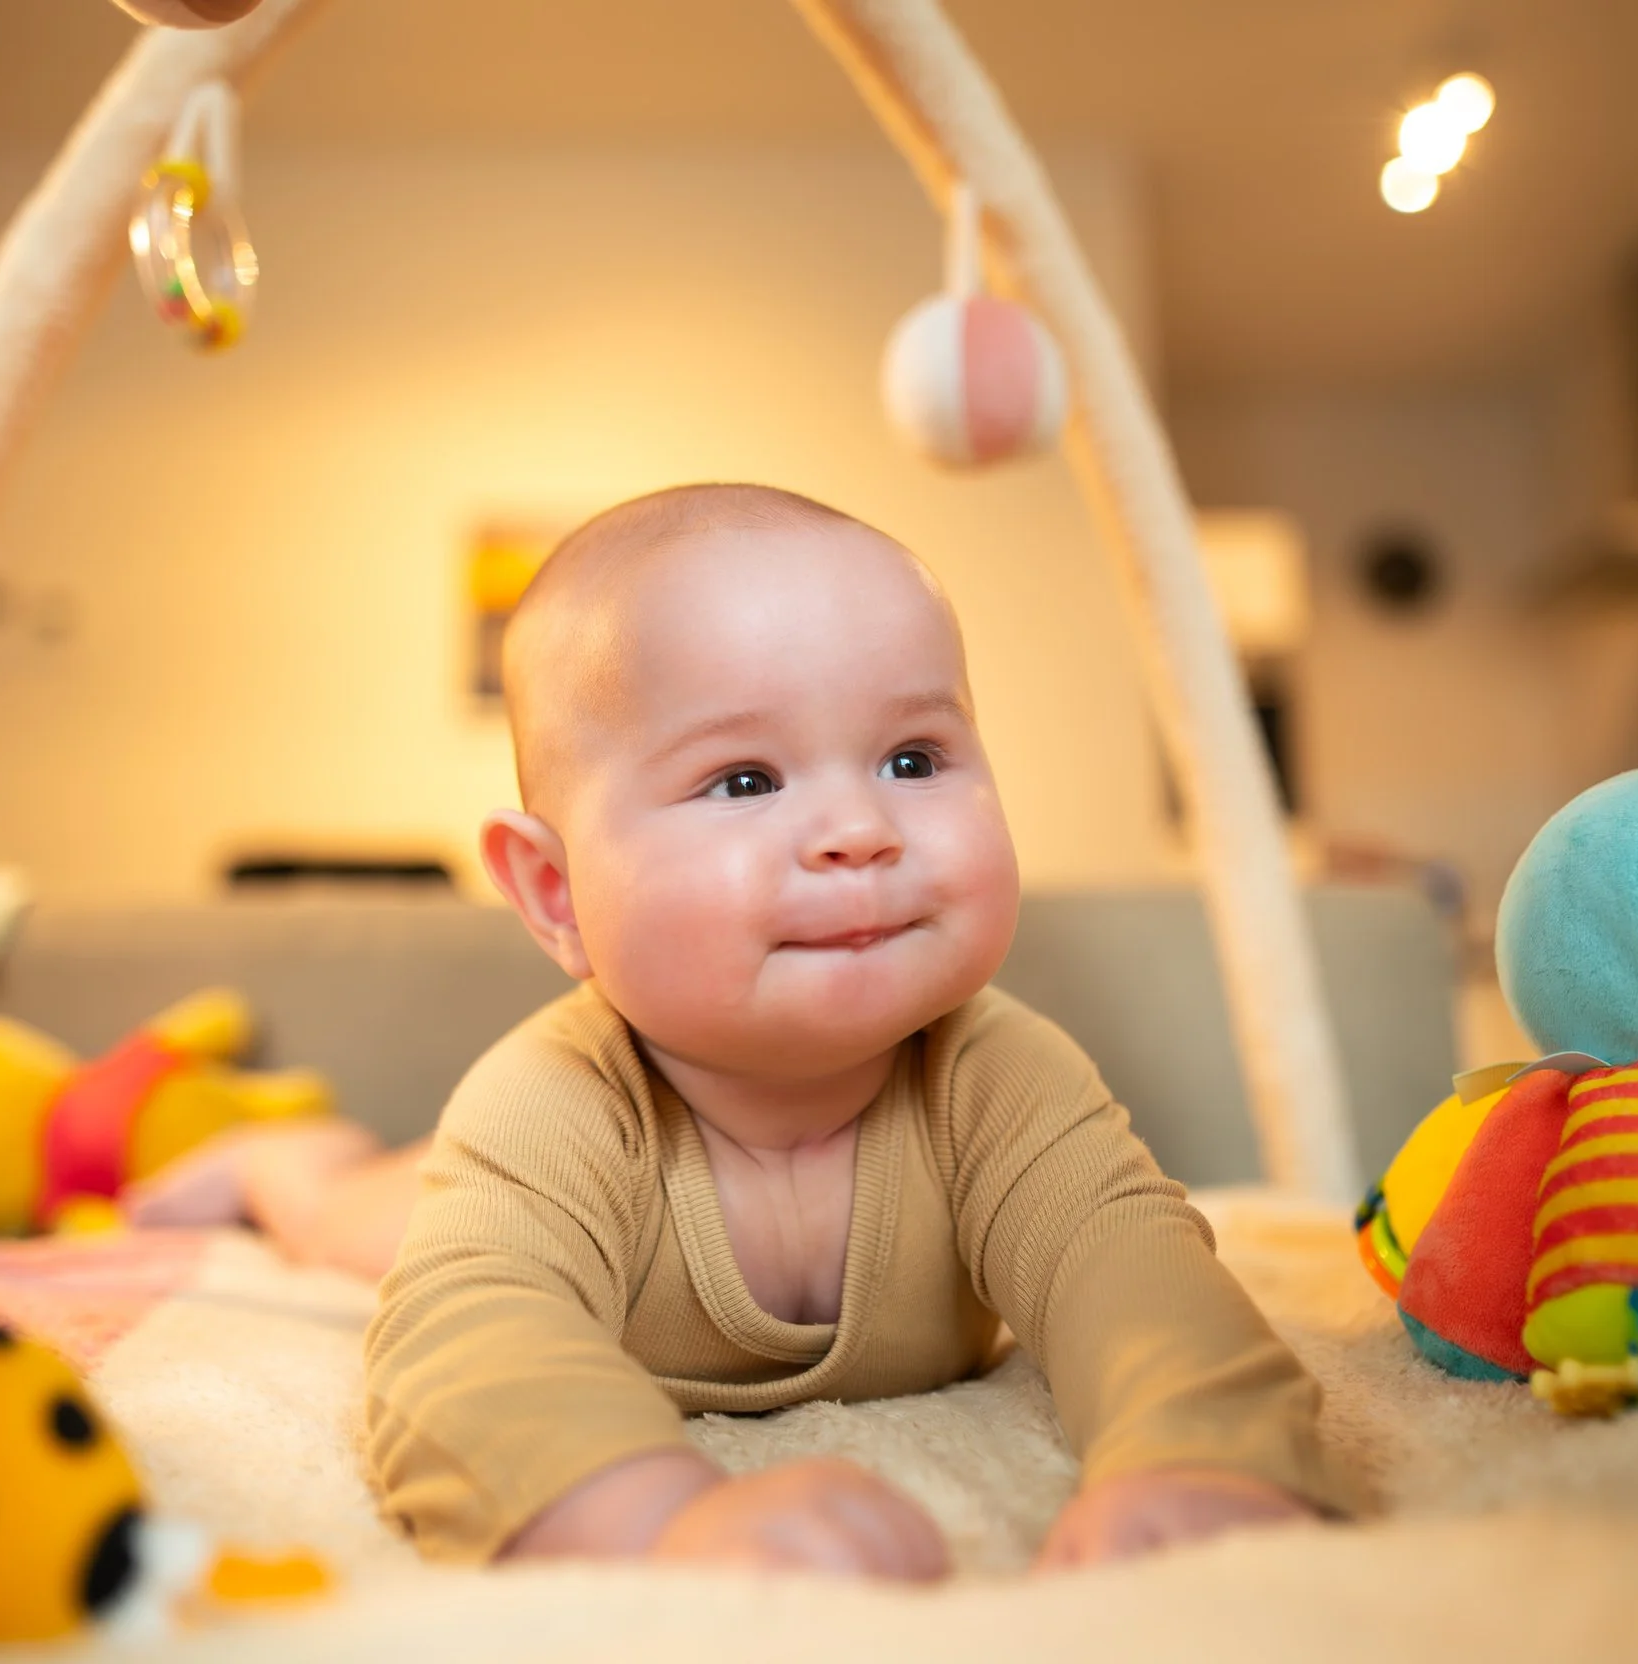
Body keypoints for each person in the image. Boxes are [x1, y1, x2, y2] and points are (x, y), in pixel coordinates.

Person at [159, 483, 1346, 1575]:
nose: (857, 826)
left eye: (912, 756)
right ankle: (280, 1158)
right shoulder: (553, 1103)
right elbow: (465, 1341)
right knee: (353, 1218)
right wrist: (651, 1515)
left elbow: (1127, 1270)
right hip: (503, 1197)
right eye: (743, 779)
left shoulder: (995, 1072)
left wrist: (1204, 1454)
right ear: (556, 894)